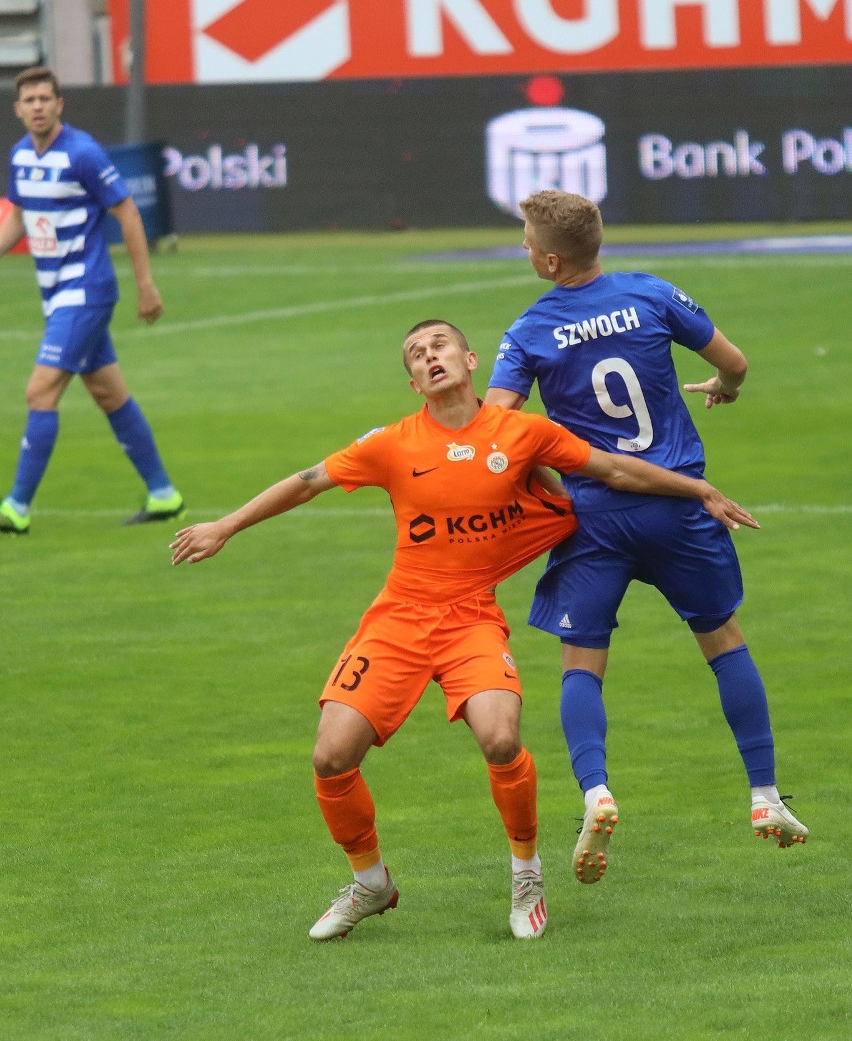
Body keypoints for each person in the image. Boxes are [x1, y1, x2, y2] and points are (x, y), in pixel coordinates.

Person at [170, 319, 757, 941]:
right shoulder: (392, 443)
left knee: (500, 739)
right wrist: (225, 526)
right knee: (330, 757)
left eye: (439, 346)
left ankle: (526, 873)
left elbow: (611, 471)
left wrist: (696, 489)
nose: (430, 358)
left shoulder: (523, 433)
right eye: (416, 356)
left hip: (470, 618)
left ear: (471, 359)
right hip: (397, 619)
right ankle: (370, 883)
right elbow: (308, 481)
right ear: (414, 381)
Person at [485, 189, 809, 886]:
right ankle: (763, 796)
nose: (519, 246)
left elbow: (496, 430)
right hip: (680, 507)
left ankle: (596, 791)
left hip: (593, 515)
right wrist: (725, 385)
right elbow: (737, 361)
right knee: (723, 640)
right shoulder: (651, 293)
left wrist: (542, 482)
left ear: (547, 259)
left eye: (522, 238)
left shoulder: (530, 330)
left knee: (582, 662)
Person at [0, 66, 184, 534]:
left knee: (39, 391)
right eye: (30, 100)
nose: (38, 106)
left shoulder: (82, 153)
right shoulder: (21, 156)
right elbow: (20, 216)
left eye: (46, 98)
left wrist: (145, 284)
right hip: (55, 295)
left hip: (86, 292)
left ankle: (15, 508)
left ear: (59, 104)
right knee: (108, 393)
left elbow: (126, 212)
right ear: (18, 109)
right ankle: (164, 493)